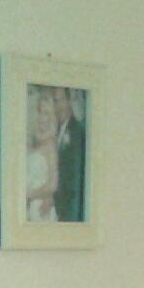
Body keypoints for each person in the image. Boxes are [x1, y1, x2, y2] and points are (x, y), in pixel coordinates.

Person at [52, 88, 86, 222]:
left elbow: (75, 180)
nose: (58, 106)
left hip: (68, 213)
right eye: (56, 101)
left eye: (62, 100)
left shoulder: (77, 131)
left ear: (69, 101)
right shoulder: (56, 130)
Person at [26, 90, 59, 222]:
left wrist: (29, 195)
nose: (41, 117)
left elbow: (53, 184)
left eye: (46, 113)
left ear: (51, 117)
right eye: (40, 111)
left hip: (41, 209)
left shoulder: (50, 145)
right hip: (29, 207)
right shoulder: (33, 141)